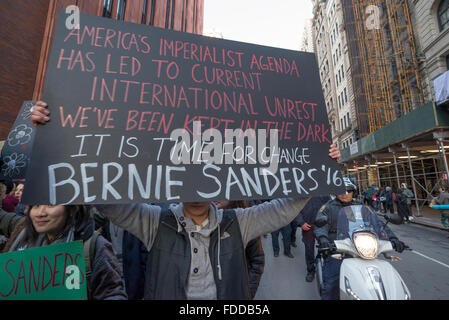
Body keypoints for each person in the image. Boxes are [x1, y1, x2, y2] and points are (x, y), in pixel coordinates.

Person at [30, 101, 342, 299]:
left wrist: (318, 167)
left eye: (205, 175)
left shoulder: (239, 222)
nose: (198, 186)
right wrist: (54, 133)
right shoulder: (154, 222)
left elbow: (282, 209)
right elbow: (104, 198)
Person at [0, 205, 128, 300]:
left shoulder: (92, 244)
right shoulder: (21, 238)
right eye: (36, 206)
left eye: (50, 205)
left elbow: (112, 294)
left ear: (72, 209)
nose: (40, 213)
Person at [314, 180, 406, 300]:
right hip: (338, 247)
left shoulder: (363, 207)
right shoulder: (328, 207)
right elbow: (320, 225)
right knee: (332, 282)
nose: (345, 193)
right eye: (341, 191)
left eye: (349, 191)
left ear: (353, 192)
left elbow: (378, 224)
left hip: (361, 246)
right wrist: (323, 240)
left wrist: (394, 239)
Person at [214, 200, 265, 299]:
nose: (214, 195)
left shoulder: (244, 221)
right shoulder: (195, 220)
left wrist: (247, 294)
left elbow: (257, 261)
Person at [294, 195, 331, 282]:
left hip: (322, 225)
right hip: (308, 226)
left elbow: (329, 205)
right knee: (309, 249)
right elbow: (295, 209)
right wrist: (301, 222)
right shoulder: (300, 193)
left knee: (324, 247)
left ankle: (325, 269)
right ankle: (311, 271)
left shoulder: (322, 190)